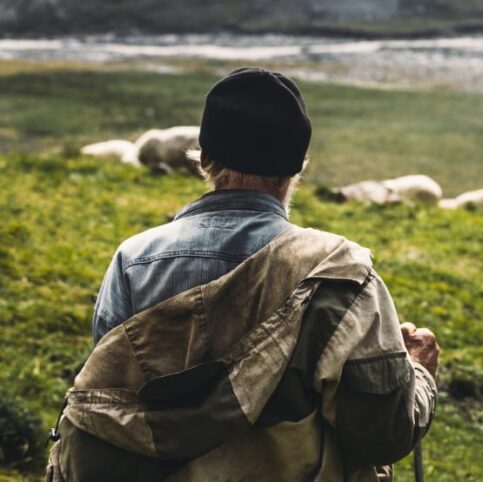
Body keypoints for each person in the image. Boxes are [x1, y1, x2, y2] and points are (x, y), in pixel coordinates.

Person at [46, 67, 439, 482]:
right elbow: (383, 435)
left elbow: (108, 397)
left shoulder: (132, 262)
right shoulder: (341, 275)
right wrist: (420, 374)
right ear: (295, 170)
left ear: (205, 160)